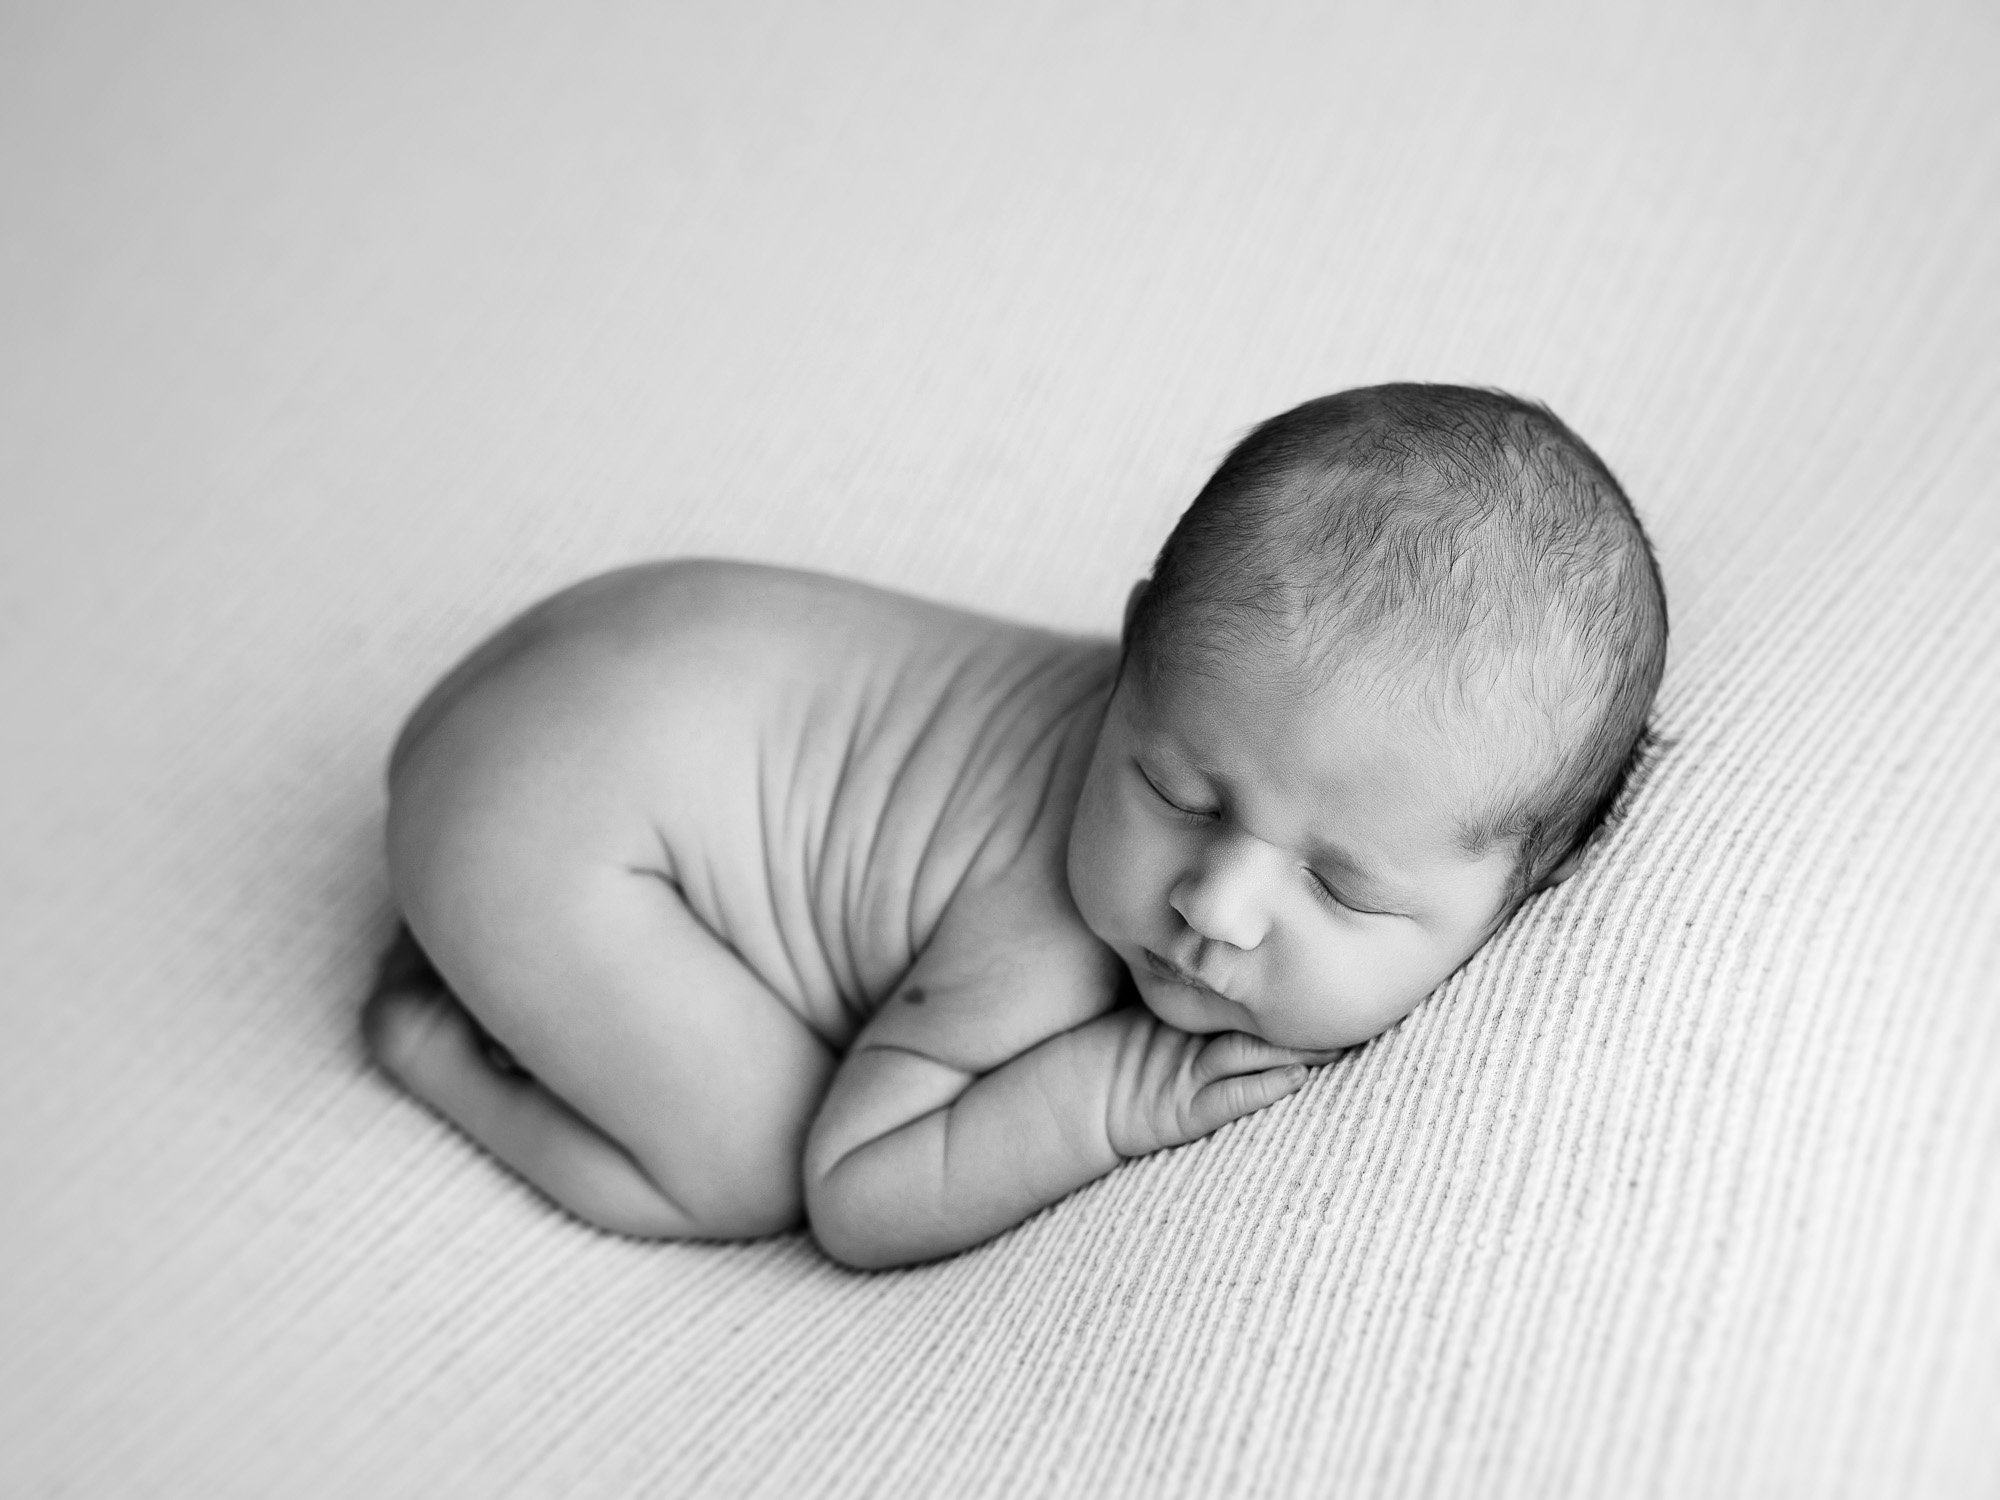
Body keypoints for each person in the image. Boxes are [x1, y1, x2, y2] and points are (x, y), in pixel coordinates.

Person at [363, 383, 1668, 1270]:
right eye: (1178, 793)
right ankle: (436, 1037)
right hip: (535, 817)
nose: (1215, 904)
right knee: (746, 1166)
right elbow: (858, 1191)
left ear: (1533, 879)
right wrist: (1107, 1097)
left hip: (617, 659)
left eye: (1343, 887)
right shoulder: (1040, 932)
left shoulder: (1267, 732)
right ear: (1136, 652)